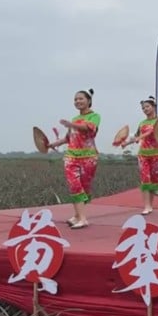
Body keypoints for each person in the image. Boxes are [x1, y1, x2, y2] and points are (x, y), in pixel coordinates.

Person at [49, 88, 101, 229]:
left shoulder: (94, 116)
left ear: (88, 101)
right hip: (71, 157)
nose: (77, 101)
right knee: (75, 186)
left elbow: (87, 128)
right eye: (75, 99)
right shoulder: (74, 119)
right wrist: (53, 143)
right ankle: (83, 219)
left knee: (85, 188)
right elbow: (68, 138)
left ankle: (78, 215)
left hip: (89, 158)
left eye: (80, 99)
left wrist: (71, 125)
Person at [121, 96, 158, 215]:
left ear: (154, 106)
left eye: (147, 106)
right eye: (143, 108)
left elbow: (152, 132)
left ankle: (151, 204)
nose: (145, 109)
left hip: (156, 153)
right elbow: (136, 136)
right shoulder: (142, 123)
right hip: (143, 154)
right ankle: (147, 206)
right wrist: (126, 143)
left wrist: (140, 137)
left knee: (154, 180)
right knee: (145, 179)